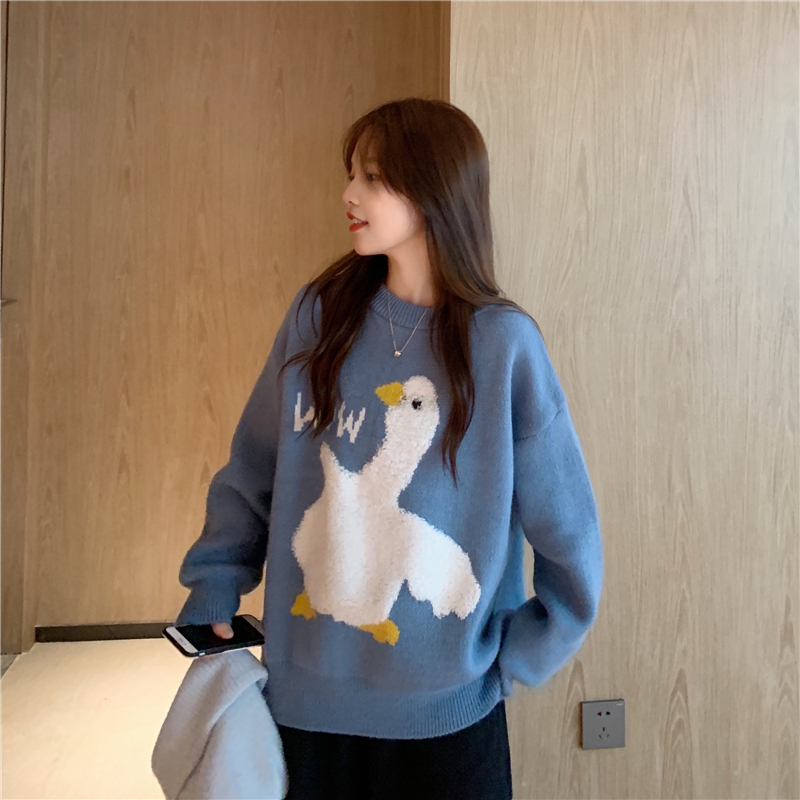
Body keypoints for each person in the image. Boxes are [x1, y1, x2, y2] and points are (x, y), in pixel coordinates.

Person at [174, 97, 604, 800]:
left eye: (372, 177)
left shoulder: (503, 347)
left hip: (450, 723)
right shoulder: (317, 318)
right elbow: (253, 467)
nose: (349, 194)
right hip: (305, 710)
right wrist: (215, 581)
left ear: (435, 190)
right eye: (352, 175)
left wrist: (516, 660)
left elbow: (569, 532)